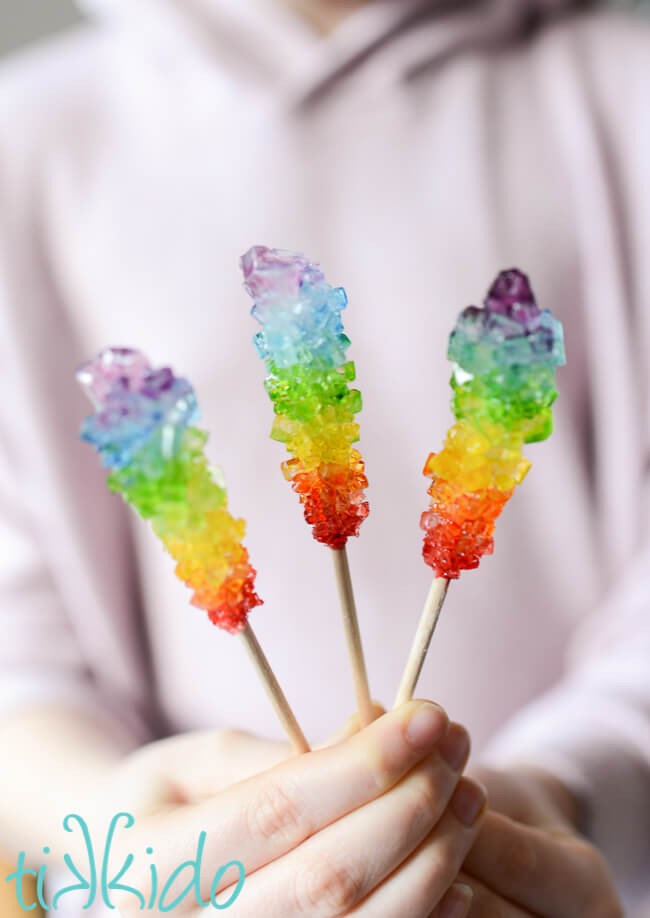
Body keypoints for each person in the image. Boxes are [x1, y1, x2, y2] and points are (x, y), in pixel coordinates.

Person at [0, 0, 648, 914]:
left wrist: (561, 794)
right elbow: (20, 660)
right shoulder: (28, 141)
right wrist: (123, 827)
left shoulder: (626, 92)